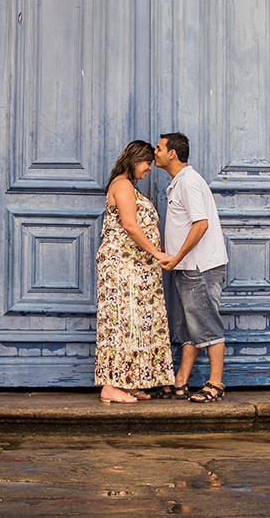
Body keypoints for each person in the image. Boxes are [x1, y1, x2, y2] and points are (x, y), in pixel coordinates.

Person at [94, 140, 175, 404]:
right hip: (122, 266)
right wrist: (156, 252)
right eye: (147, 163)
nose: (150, 168)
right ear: (135, 161)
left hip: (133, 267)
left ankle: (126, 382)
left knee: (133, 324)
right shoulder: (123, 185)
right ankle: (110, 386)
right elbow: (130, 224)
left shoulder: (128, 186)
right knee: (119, 323)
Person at [154, 132, 228, 403]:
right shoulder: (179, 183)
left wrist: (176, 257)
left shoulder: (189, 183)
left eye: (159, 148)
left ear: (172, 153)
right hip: (187, 268)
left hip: (200, 268)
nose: (155, 152)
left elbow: (201, 224)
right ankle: (180, 383)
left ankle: (216, 384)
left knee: (207, 326)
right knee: (188, 329)